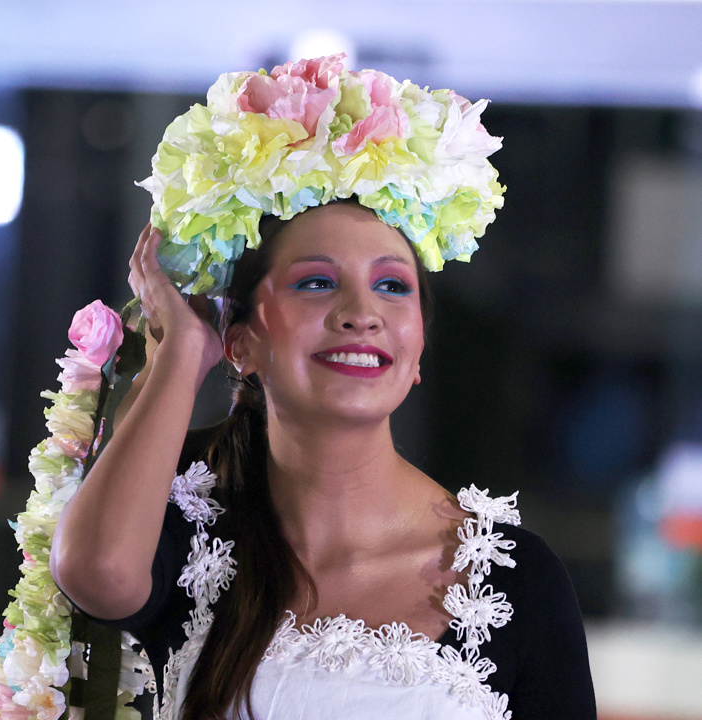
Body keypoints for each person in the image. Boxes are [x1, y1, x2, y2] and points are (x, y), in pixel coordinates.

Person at [50, 55, 597, 720]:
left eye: (393, 286)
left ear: (420, 346)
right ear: (242, 342)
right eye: (316, 282)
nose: (361, 312)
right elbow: (96, 577)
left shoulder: (516, 584)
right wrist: (182, 353)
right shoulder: (188, 534)